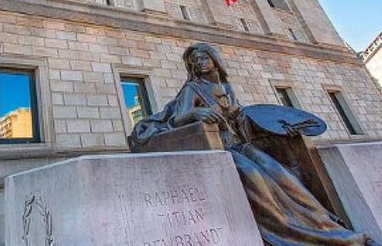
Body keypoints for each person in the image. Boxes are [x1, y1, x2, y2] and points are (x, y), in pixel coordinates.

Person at [129, 43, 379, 246]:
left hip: (240, 144)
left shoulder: (225, 87)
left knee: (285, 178)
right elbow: (179, 118)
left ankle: (331, 227)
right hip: (221, 148)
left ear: (215, 59)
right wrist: (197, 114)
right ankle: (295, 234)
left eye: (204, 57)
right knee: (255, 178)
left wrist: (283, 129)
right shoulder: (192, 89)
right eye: (195, 60)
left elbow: (244, 119)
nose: (200, 62)